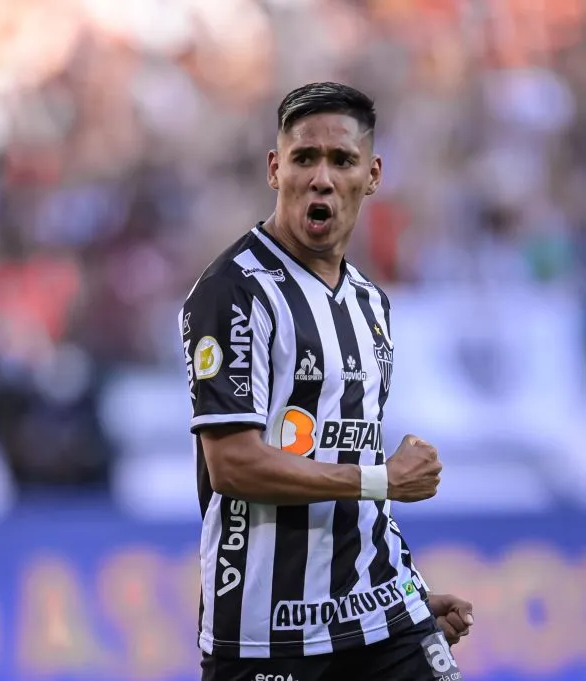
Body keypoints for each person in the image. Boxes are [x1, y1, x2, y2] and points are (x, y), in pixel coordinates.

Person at [178, 82, 475, 681]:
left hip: (379, 613)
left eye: (341, 160)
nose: (321, 177)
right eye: (304, 158)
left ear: (372, 175)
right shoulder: (235, 291)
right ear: (274, 168)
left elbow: (349, 454)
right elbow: (234, 464)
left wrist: (406, 592)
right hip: (269, 636)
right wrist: (383, 479)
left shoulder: (371, 303)